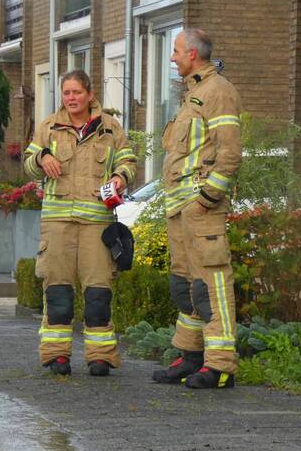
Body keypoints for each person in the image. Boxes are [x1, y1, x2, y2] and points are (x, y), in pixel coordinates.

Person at [23, 70, 137, 377]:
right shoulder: (48, 127)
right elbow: (29, 163)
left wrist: (119, 176)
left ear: (89, 94)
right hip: (57, 223)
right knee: (57, 291)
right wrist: (42, 158)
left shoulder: (110, 128)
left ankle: (100, 356)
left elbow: (128, 162)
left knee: (98, 293)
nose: (71, 98)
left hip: (96, 225)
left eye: (76, 92)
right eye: (66, 93)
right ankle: (56, 355)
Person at [151, 28, 242, 389]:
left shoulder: (217, 91)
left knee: (211, 284)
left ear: (192, 54)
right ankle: (190, 356)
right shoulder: (194, 94)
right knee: (184, 286)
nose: (172, 58)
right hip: (181, 210)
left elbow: (230, 153)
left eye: (175, 52)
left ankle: (220, 366)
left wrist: (207, 199)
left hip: (200, 209)